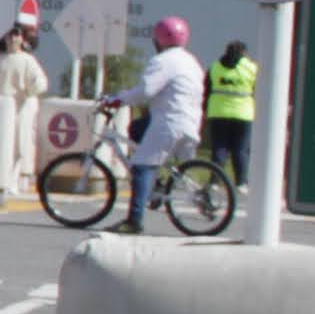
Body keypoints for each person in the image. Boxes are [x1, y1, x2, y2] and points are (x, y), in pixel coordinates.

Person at [100, 13, 210, 231]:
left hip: (169, 122)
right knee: (138, 130)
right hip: (191, 121)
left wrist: (116, 100)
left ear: (158, 40)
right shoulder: (192, 61)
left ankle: (134, 221)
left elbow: (146, 91)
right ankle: (162, 184)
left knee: (141, 166)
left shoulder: (162, 61)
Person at [206, 37, 260, 184]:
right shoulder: (251, 68)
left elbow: (207, 90)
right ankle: (241, 182)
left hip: (218, 113)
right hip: (243, 114)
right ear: (244, 53)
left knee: (219, 149)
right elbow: (259, 90)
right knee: (241, 150)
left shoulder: (215, 67)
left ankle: (214, 182)